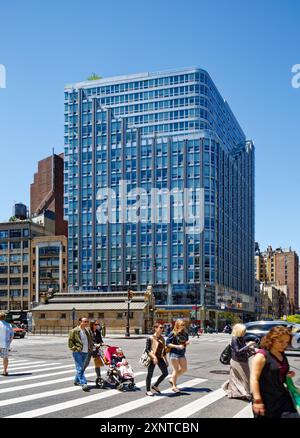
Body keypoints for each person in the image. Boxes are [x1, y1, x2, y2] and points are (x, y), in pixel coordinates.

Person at [250, 326, 300, 418]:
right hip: (266, 401)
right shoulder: (261, 355)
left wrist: (286, 374)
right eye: (281, 342)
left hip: (282, 397)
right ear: (271, 339)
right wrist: (257, 400)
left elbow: (277, 372)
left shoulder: (281, 353)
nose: (284, 345)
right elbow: (254, 378)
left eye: (286, 342)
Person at [222, 323, 256, 400]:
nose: (245, 332)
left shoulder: (242, 338)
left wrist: (251, 349)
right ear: (239, 331)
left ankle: (235, 393)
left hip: (243, 360)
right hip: (237, 362)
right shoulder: (234, 339)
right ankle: (246, 394)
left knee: (236, 378)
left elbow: (243, 348)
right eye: (243, 331)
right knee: (245, 378)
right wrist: (248, 345)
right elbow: (237, 351)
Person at [68, 316, 94, 392]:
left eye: (87, 322)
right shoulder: (74, 331)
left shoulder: (87, 331)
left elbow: (89, 340)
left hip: (86, 351)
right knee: (80, 368)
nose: (86, 323)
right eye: (85, 321)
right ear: (80, 322)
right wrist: (75, 349)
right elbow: (70, 341)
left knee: (81, 367)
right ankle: (84, 383)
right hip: (78, 352)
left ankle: (76, 381)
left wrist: (92, 347)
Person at [145, 322, 169, 396]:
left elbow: (164, 350)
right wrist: (154, 357)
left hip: (160, 357)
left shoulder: (162, 338)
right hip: (152, 358)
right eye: (160, 327)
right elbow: (147, 350)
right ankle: (148, 390)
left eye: (162, 328)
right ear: (155, 328)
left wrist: (166, 360)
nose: (162, 329)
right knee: (150, 374)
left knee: (165, 373)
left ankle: (155, 386)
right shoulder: (150, 338)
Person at [166, 319, 190, 392]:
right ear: (177, 325)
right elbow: (167, 343)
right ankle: (174, 386)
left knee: (184, 369)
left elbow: (185, 343)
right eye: (182, 325)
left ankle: (172, 379)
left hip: (182, 354)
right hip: (174, 353)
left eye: (184, 325)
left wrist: (186, 344)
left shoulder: (185, 333)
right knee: (175, 370)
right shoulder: (173, 333)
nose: (183, 326)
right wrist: (177, 346)